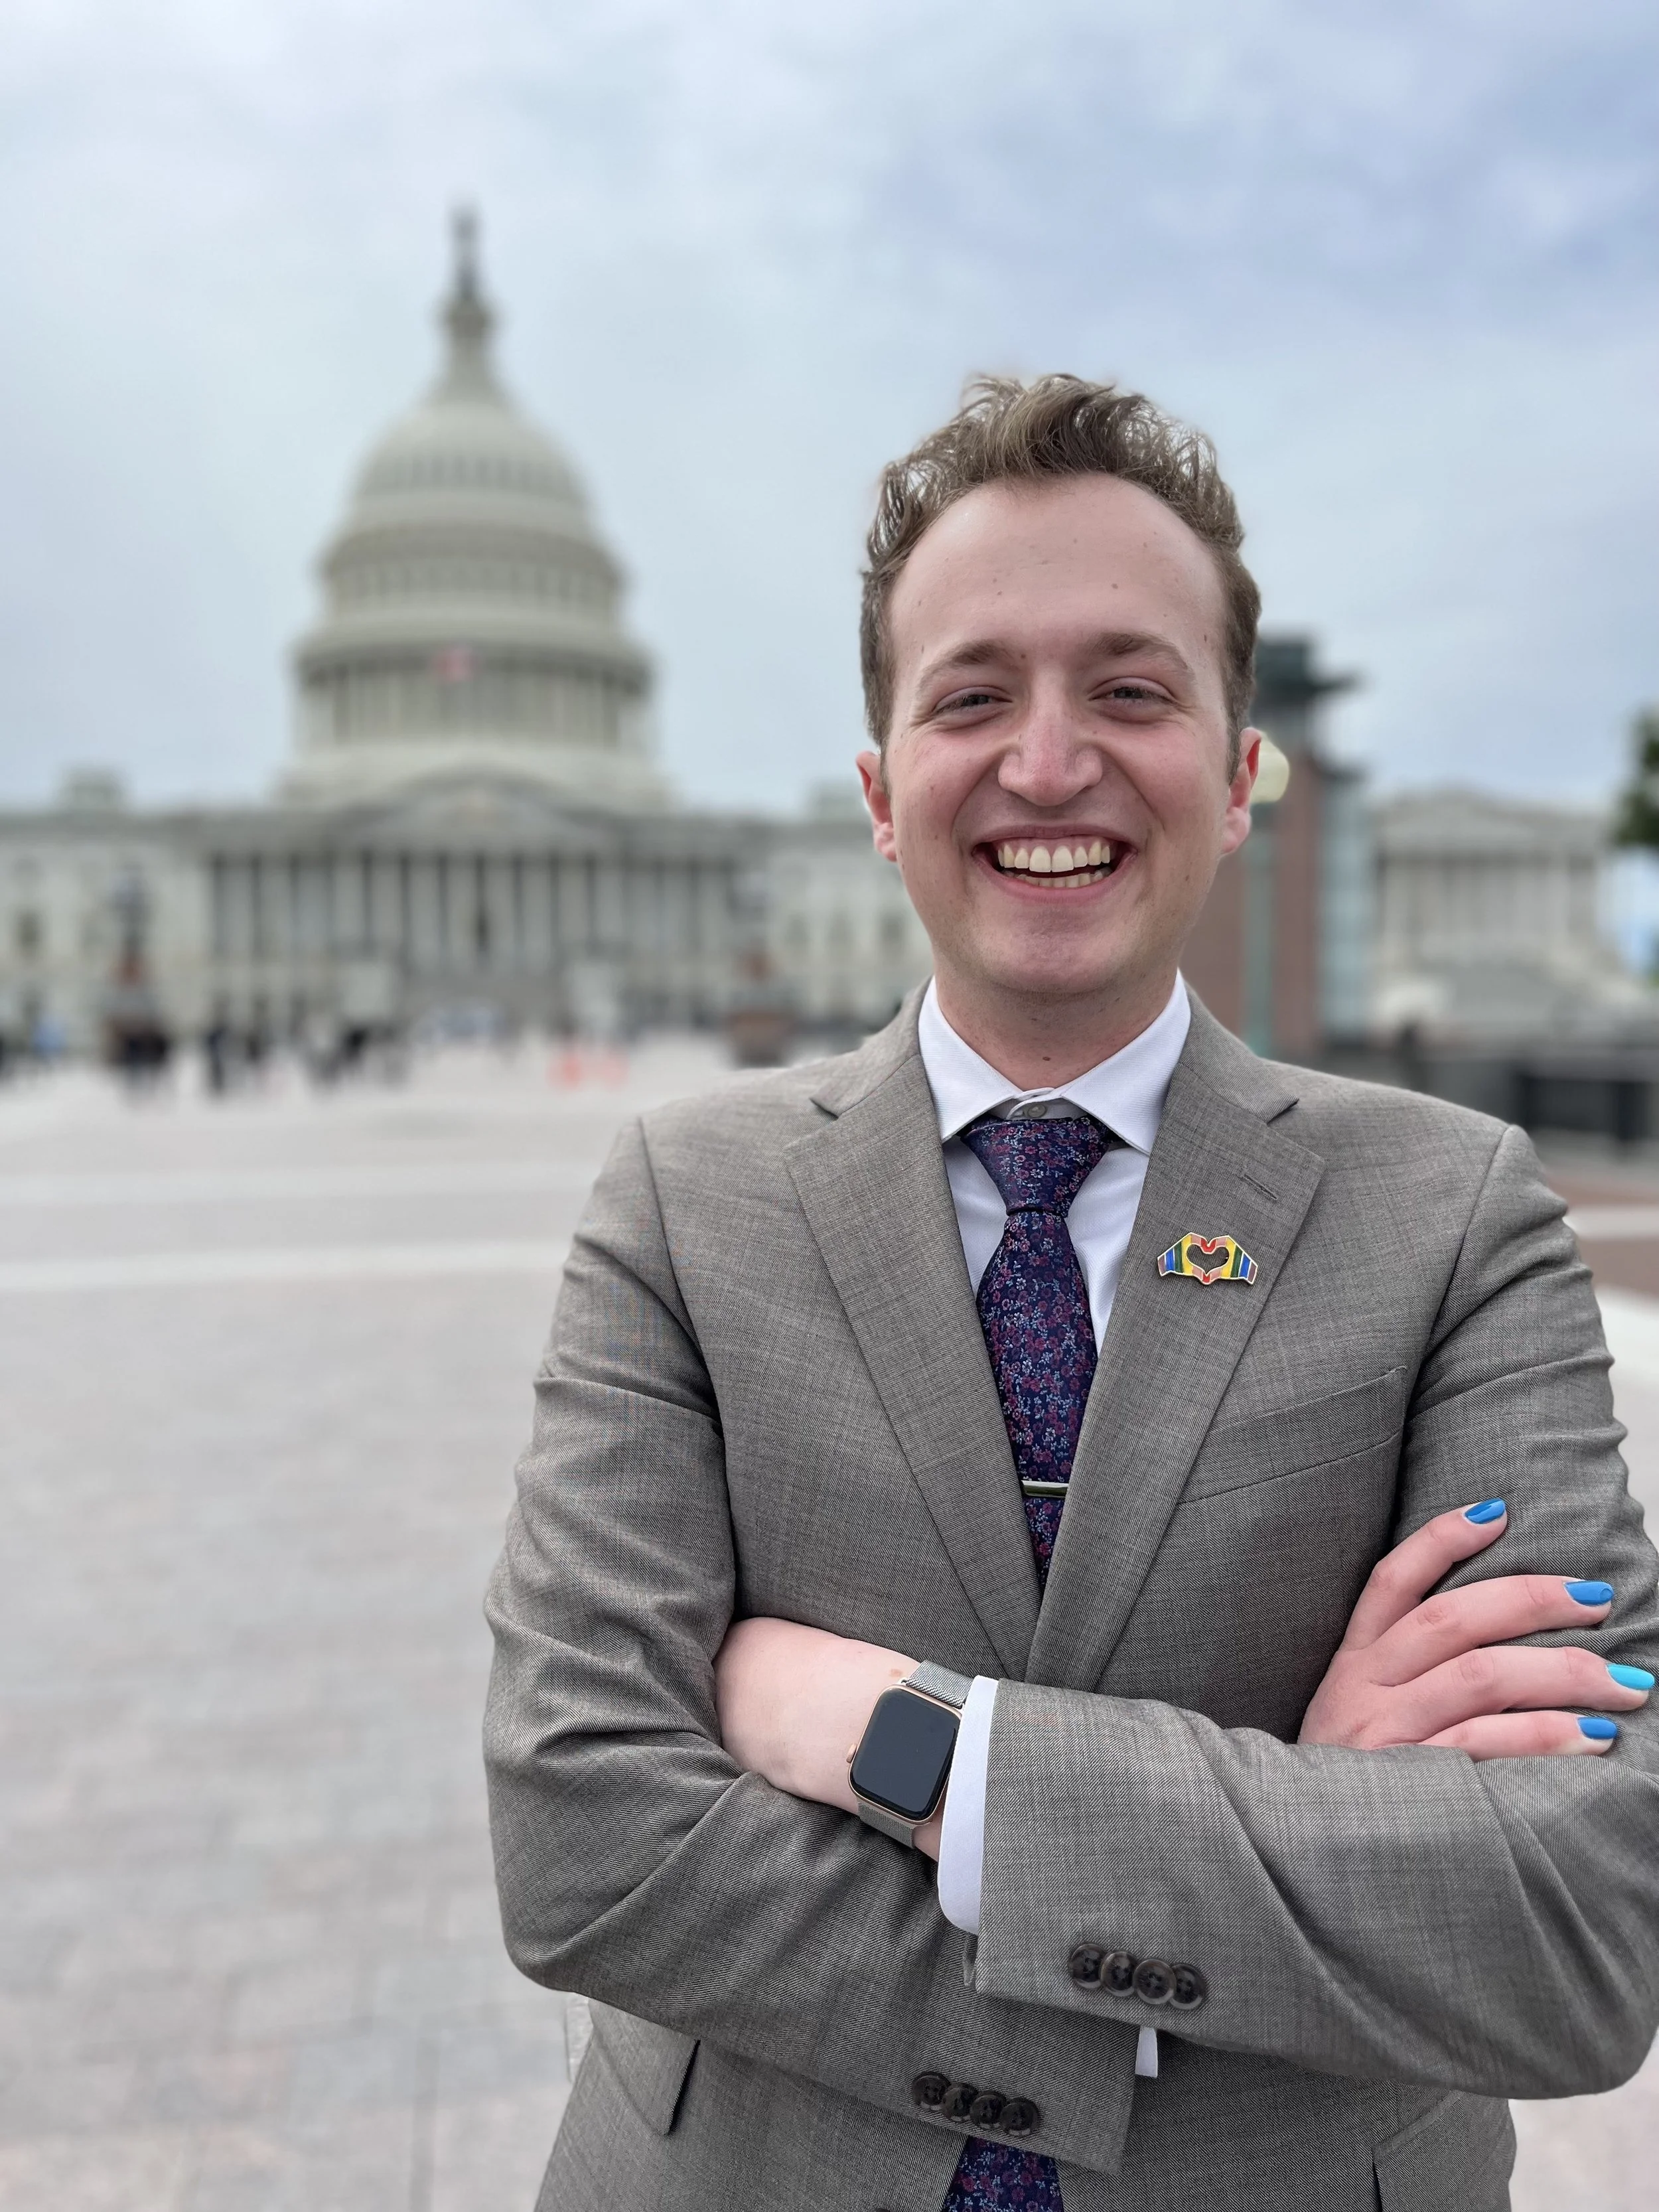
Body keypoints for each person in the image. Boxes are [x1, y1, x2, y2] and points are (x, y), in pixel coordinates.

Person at [483, 376, 1659, 2212]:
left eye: (1129, 690)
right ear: (879, 794)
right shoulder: (681, 1202)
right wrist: (1281, 1852)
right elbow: (585, 1842)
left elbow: (1574, 1923)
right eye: (971, 698)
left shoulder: (1450, 1213)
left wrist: (908, 1746)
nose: (1046, 765)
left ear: (1239, 774)